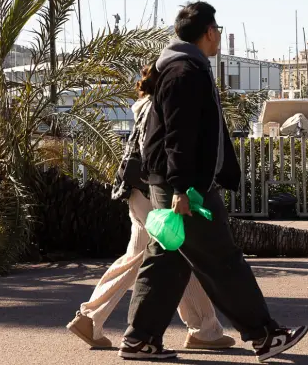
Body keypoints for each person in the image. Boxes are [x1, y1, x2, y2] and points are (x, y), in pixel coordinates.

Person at [120, 2, 307, 362]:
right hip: (186, 185)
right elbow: (179, 135)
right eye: (217, 29)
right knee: (222, 260)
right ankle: (265, 335)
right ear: (209, 32)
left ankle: (139, 339)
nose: (218, 36)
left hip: (178, 181)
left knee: (169, 260)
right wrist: (181, 189)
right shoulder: (185, 71)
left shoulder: (181, 67)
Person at [67, 64, 234, 351]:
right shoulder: (160, 106)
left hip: (139, 190)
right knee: (156, 254)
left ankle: (204, 328)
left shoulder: (146, 105)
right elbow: (164, 150)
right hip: (153, 191)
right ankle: (91, 316)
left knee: (172, 252)